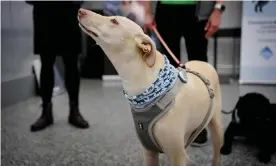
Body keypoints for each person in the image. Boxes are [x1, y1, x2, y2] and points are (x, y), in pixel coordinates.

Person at [144, 0, 225, 146]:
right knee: (168, 71)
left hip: (199, 11)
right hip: (165, 9)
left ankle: (199, 125)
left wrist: (218, 9)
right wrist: (147, 10)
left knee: (200, 69)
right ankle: (172, 124)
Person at [26, 1, 89, 132]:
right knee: (46, 63)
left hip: (68, 10)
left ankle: (74, 111)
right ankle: (46, 113)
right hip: (44, 10)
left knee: (71, 62)